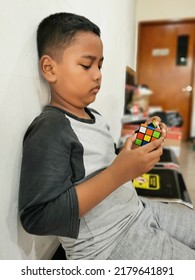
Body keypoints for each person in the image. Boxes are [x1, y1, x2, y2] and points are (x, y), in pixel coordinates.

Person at [19, 12, 195, 260]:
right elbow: (37, 216)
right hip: (109, 245)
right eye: (86, 65)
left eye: (100, 65)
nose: (98, 74)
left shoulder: (95, 116)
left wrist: (137, 144)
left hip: (137, 210)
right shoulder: (50, 128)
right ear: (49, 68)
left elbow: (102, 162)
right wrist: (119, 173)